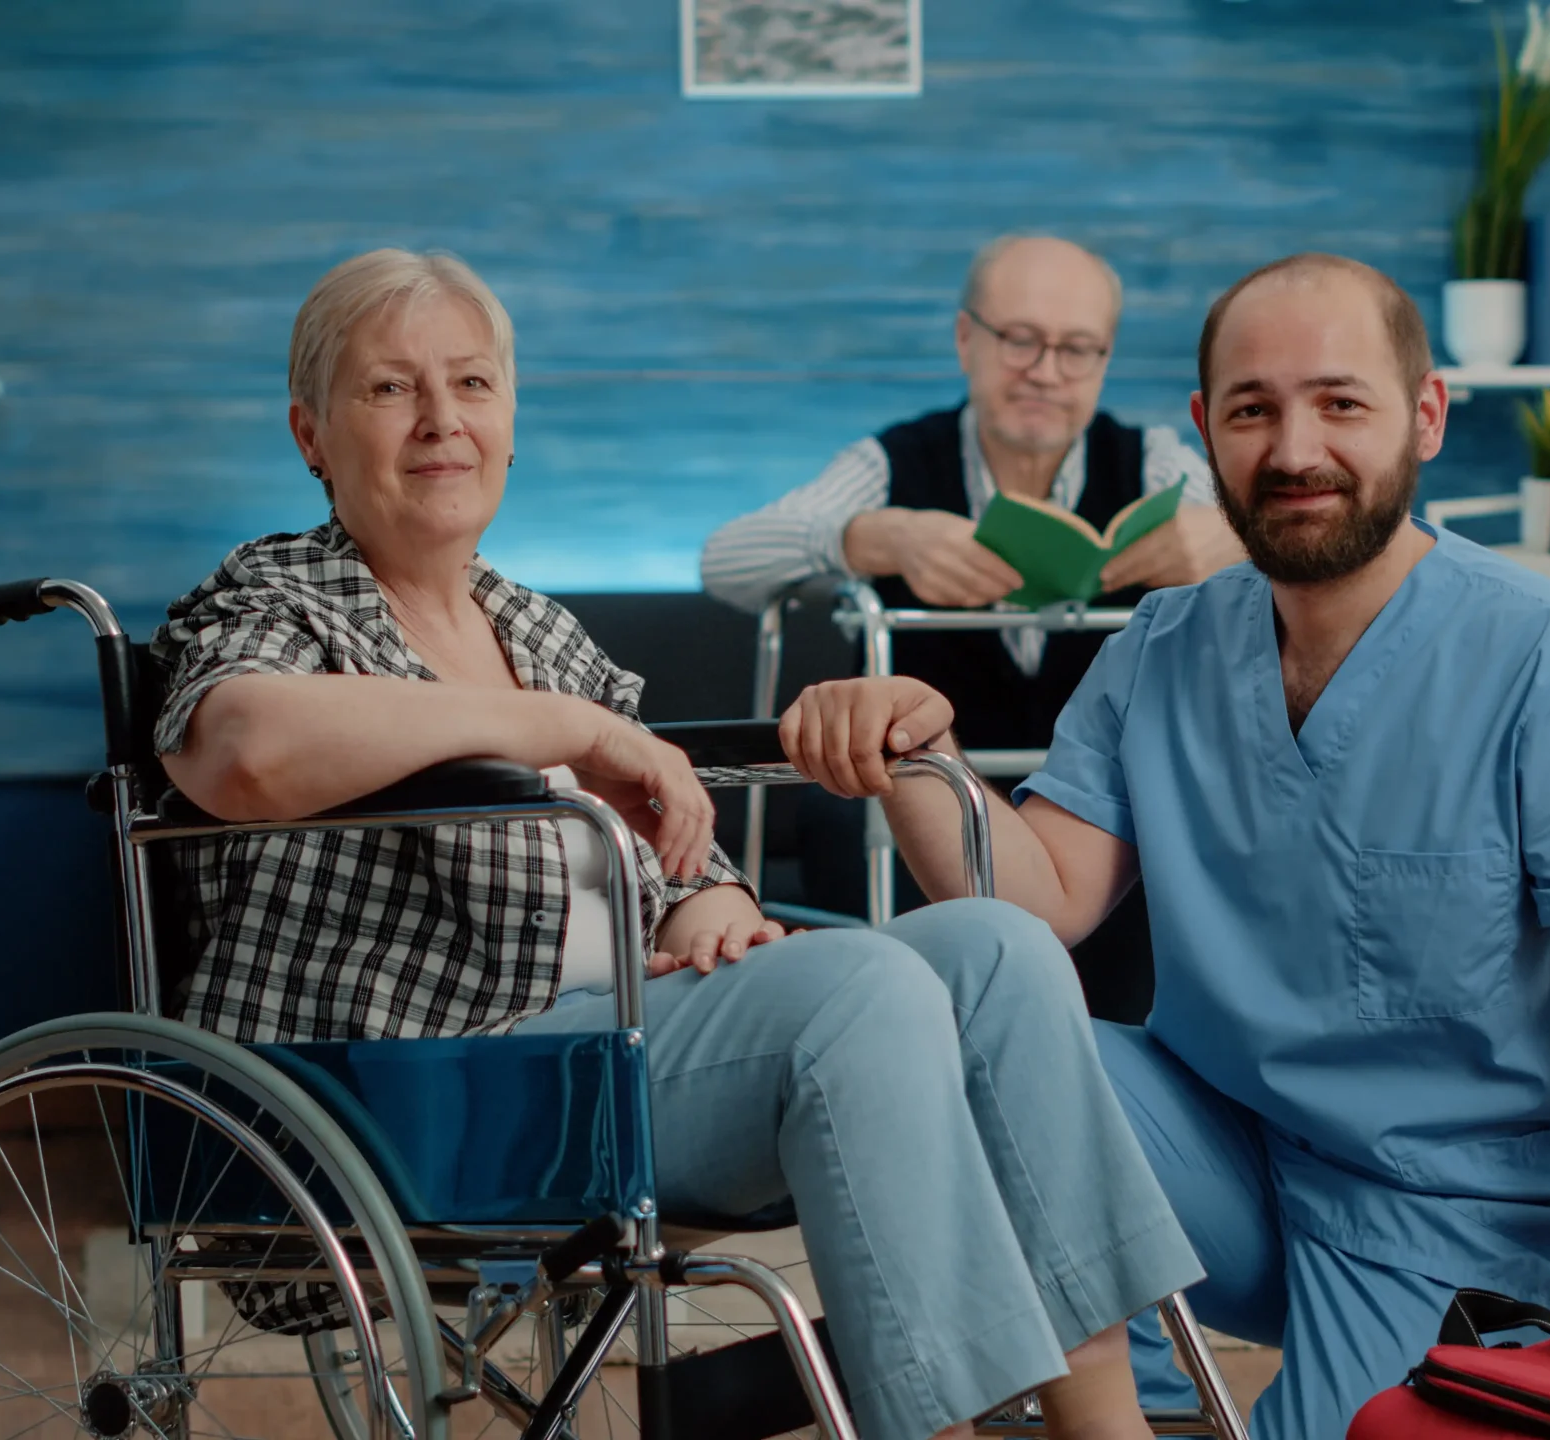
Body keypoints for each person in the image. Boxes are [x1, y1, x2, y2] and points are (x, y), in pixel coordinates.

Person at [150, 248, 1205, 1440]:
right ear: (310, 432)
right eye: (392, 390)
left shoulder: (532, 626)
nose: (442, 422)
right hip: (415, 1089)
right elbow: (238, 751)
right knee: (858, 987)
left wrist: (706, 896)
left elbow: (675, 840)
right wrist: (559, 727)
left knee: (999, 950)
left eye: (473, 385)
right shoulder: (277, 598)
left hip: (603, 1060)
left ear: (508, 419)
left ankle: (1103, 1427)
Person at [774, 253, 1550, 1439]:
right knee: (976, 978)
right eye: (1253, 410)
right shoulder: (1162, 647)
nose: (1295, 450)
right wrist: (917, 751)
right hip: (1220, 1165)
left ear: (1425, 417)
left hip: (1458, 1217)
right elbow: (1034, 906)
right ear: (1206, 431)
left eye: (1341, 403)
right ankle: (1114, 1412)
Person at [699, 234, 1243, 1022]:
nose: (1047, 371)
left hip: (1101, 827)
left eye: (1078, 349)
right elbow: (726, 559)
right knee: (831, 812)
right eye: (1020, 339)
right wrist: (873, 537)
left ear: (1104, 360)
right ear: (966, 338)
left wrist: (1229, 537)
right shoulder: (892, 463)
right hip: (917, 809)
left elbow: (1297, 556)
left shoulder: (1153, 463)